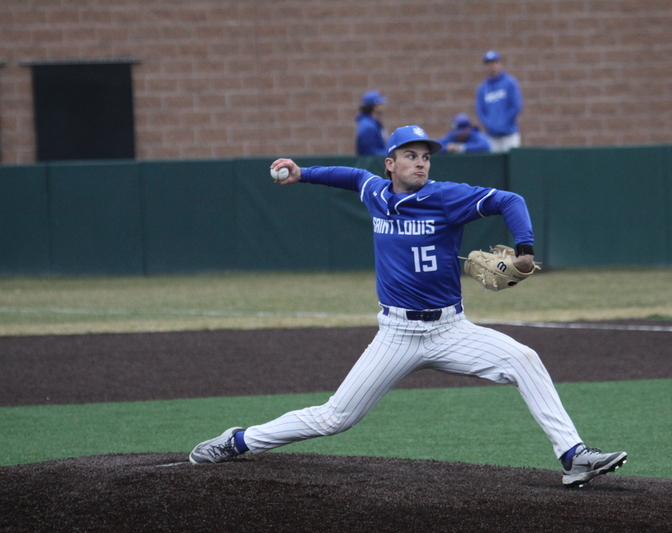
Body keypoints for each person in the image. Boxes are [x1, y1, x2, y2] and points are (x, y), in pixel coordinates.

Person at [189, 125, 627, 488]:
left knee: (525, 359)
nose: (421, 162)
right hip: (397, 335)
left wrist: (526, 248)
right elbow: (348, 176)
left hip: (451, 330)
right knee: (334, 418)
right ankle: (240, 441)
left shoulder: (445, 196)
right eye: (411, 154)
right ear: (390, 163)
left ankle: (573, 456)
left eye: (426, 156)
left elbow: (510, 201)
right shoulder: (376, 192)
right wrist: (302, 173)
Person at [475, 50, 523, 153]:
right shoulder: (483, 88)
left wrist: (503, 123)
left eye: (494, 62)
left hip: (509, 134)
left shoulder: (510, 82)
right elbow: (481, 111)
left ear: (499, 63)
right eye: (488, 63)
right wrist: (491, 125)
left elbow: (516, 106)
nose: (491, 66)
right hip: (492, 136)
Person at [355, 90, 387, 156]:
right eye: (380, 104)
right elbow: (369, 152)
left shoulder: (374, 123)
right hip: (371, 164)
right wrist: (390, 154)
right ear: (374, 107)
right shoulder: (367, 126)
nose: (383, 107)